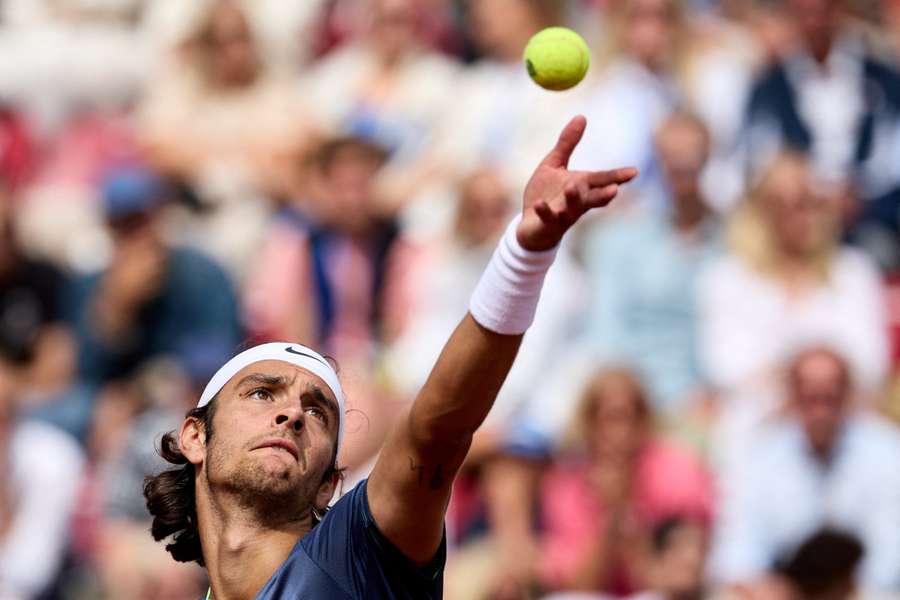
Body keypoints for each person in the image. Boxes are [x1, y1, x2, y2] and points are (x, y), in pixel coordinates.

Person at [143, 116, 637, 598]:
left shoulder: (360, 553)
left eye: (318, 411)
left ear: (328, 486)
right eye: (260, 392)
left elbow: (436, 430)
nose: (292, 413)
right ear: (195, 435)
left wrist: (522, 257)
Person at [709, 347, 900, 595]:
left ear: (847, 395)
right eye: (811, 398)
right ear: (793, 397)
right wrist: (765, 586)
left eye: (829, 397)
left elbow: (891, 548)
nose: (820, 410)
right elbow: (738, 549)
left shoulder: (887, 450)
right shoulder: (762, 454)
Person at [68, 165, 243, 385]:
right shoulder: (90, 285)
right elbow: (86, 374)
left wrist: (159, 381)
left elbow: (220, 353)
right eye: (125, 225)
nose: (138, 236)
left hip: (188, 394)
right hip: (116, 405)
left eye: (143, 221)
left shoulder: (203, 273)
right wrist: (118, 310)